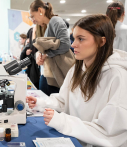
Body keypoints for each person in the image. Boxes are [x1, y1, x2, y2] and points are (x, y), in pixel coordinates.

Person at [27, 14, 127, 147]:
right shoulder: (77, 69)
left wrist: (63, 122)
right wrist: (41, 102)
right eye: (74, 38)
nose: (73, 44)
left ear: (102, 41)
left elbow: (109, 133)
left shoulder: (117, 76)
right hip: (74, 139)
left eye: (81, 39)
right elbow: (63, 101)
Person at [29, 0, 72, 96]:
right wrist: (39, 54)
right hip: (49, 73)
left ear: (40, 10)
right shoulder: (48, 24)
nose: (32, 19)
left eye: (32, 16)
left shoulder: (55, 20)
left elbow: (65, 44)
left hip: (54, 75)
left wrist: (46, 54)